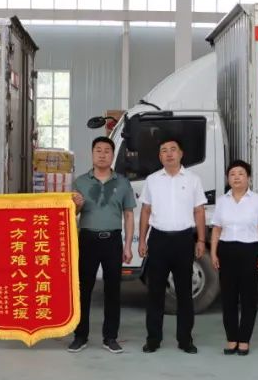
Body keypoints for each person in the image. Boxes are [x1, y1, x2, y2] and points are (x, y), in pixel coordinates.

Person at [138, 136, 207, 354]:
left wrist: (201, 240)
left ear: (181, 153)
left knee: (184, 292)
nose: (169, 153)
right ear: (160, 156)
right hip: (158, 239)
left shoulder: (193, 179)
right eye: (164, 150)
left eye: (173, 149)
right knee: (155, 292)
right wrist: (142, 239)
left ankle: (185, 339)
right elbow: (146, 211)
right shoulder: (152, 180)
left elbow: (199, 211)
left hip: (183, 240)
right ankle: (153, 339)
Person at [68, 136, 135, 354]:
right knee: (83, 289)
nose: (102, 154)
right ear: (92, 154)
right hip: (87, 240)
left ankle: (110, 337)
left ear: (112, 155)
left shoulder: (122, 183)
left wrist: (128, 246)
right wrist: (77, 206)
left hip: (113, 240)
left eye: (107, 151)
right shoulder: (80, 182)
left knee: (113, 290)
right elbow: (71, 214)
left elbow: (129, 215)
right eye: (98, 150)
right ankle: (80, 336)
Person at [210, 160, 258, 356]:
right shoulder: (222, 201)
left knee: (248, 297)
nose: (236, 177)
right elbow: (216, 229)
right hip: (226, 250)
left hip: (249, 251)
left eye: (241, 173)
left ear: (248, 178)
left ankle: (244, 340)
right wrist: (213, 253)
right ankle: (232, 339)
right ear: (228, 178)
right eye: (232, 174)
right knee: (228, 298)